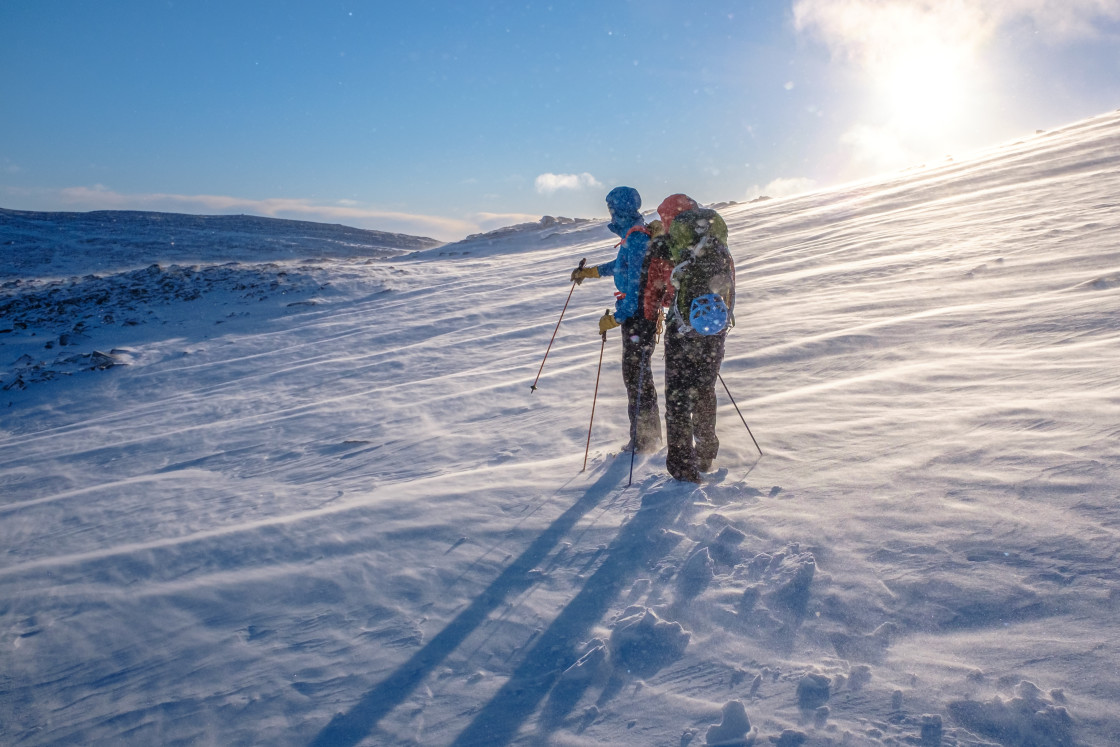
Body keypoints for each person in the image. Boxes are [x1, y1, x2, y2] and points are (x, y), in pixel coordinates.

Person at [570, 186, 661, 453]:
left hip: (638, 317)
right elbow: (621, 266)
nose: (609, 212)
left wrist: (619, 318)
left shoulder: (636, 238)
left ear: (619, 209)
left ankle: (644, 440)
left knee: (636, 376)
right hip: (639, 315)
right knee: (638, 375)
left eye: (611, 207)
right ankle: (647, 436)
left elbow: (635, 284)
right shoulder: (634, 233)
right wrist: (592, 272)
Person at [661, 206, 735, 483]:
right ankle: (705, 452)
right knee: (704, 390)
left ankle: (682, 467)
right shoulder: (720, 251)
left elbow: (667, 289)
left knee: (678, 400)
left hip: (682, 333)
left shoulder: (682, 255)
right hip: (714, 332)